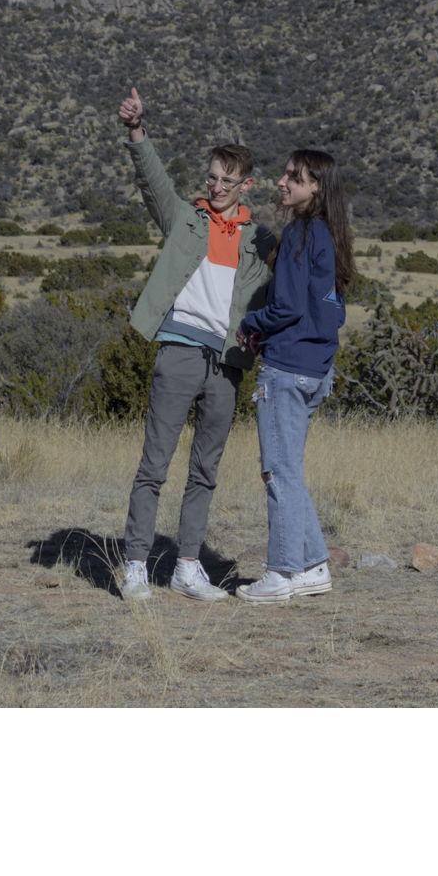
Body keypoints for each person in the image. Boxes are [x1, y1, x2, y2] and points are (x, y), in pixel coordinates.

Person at [114, 86, 274, 601]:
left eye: (228, 180)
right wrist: (137, 129)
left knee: (205, 470)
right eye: (212, 177)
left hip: (227, 364)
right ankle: (135, 565)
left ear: (246, 185)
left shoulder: (260, 242)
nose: (217, 186)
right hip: (179, 353)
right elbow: (152, 180)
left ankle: (187, 566)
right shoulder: (184, 218)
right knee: (154, 465)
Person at [235, 148, 354, 603]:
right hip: (316, 369)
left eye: (294, 177)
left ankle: (281, 573)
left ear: (315, 187)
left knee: (278, 473)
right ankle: (314, 565)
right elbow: (330, 309)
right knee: (290, 471)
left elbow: (285, 306)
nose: (282, 182)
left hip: (285, 370)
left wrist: (251, 324)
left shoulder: (300, 234)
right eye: (286, 174)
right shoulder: (329, 235)